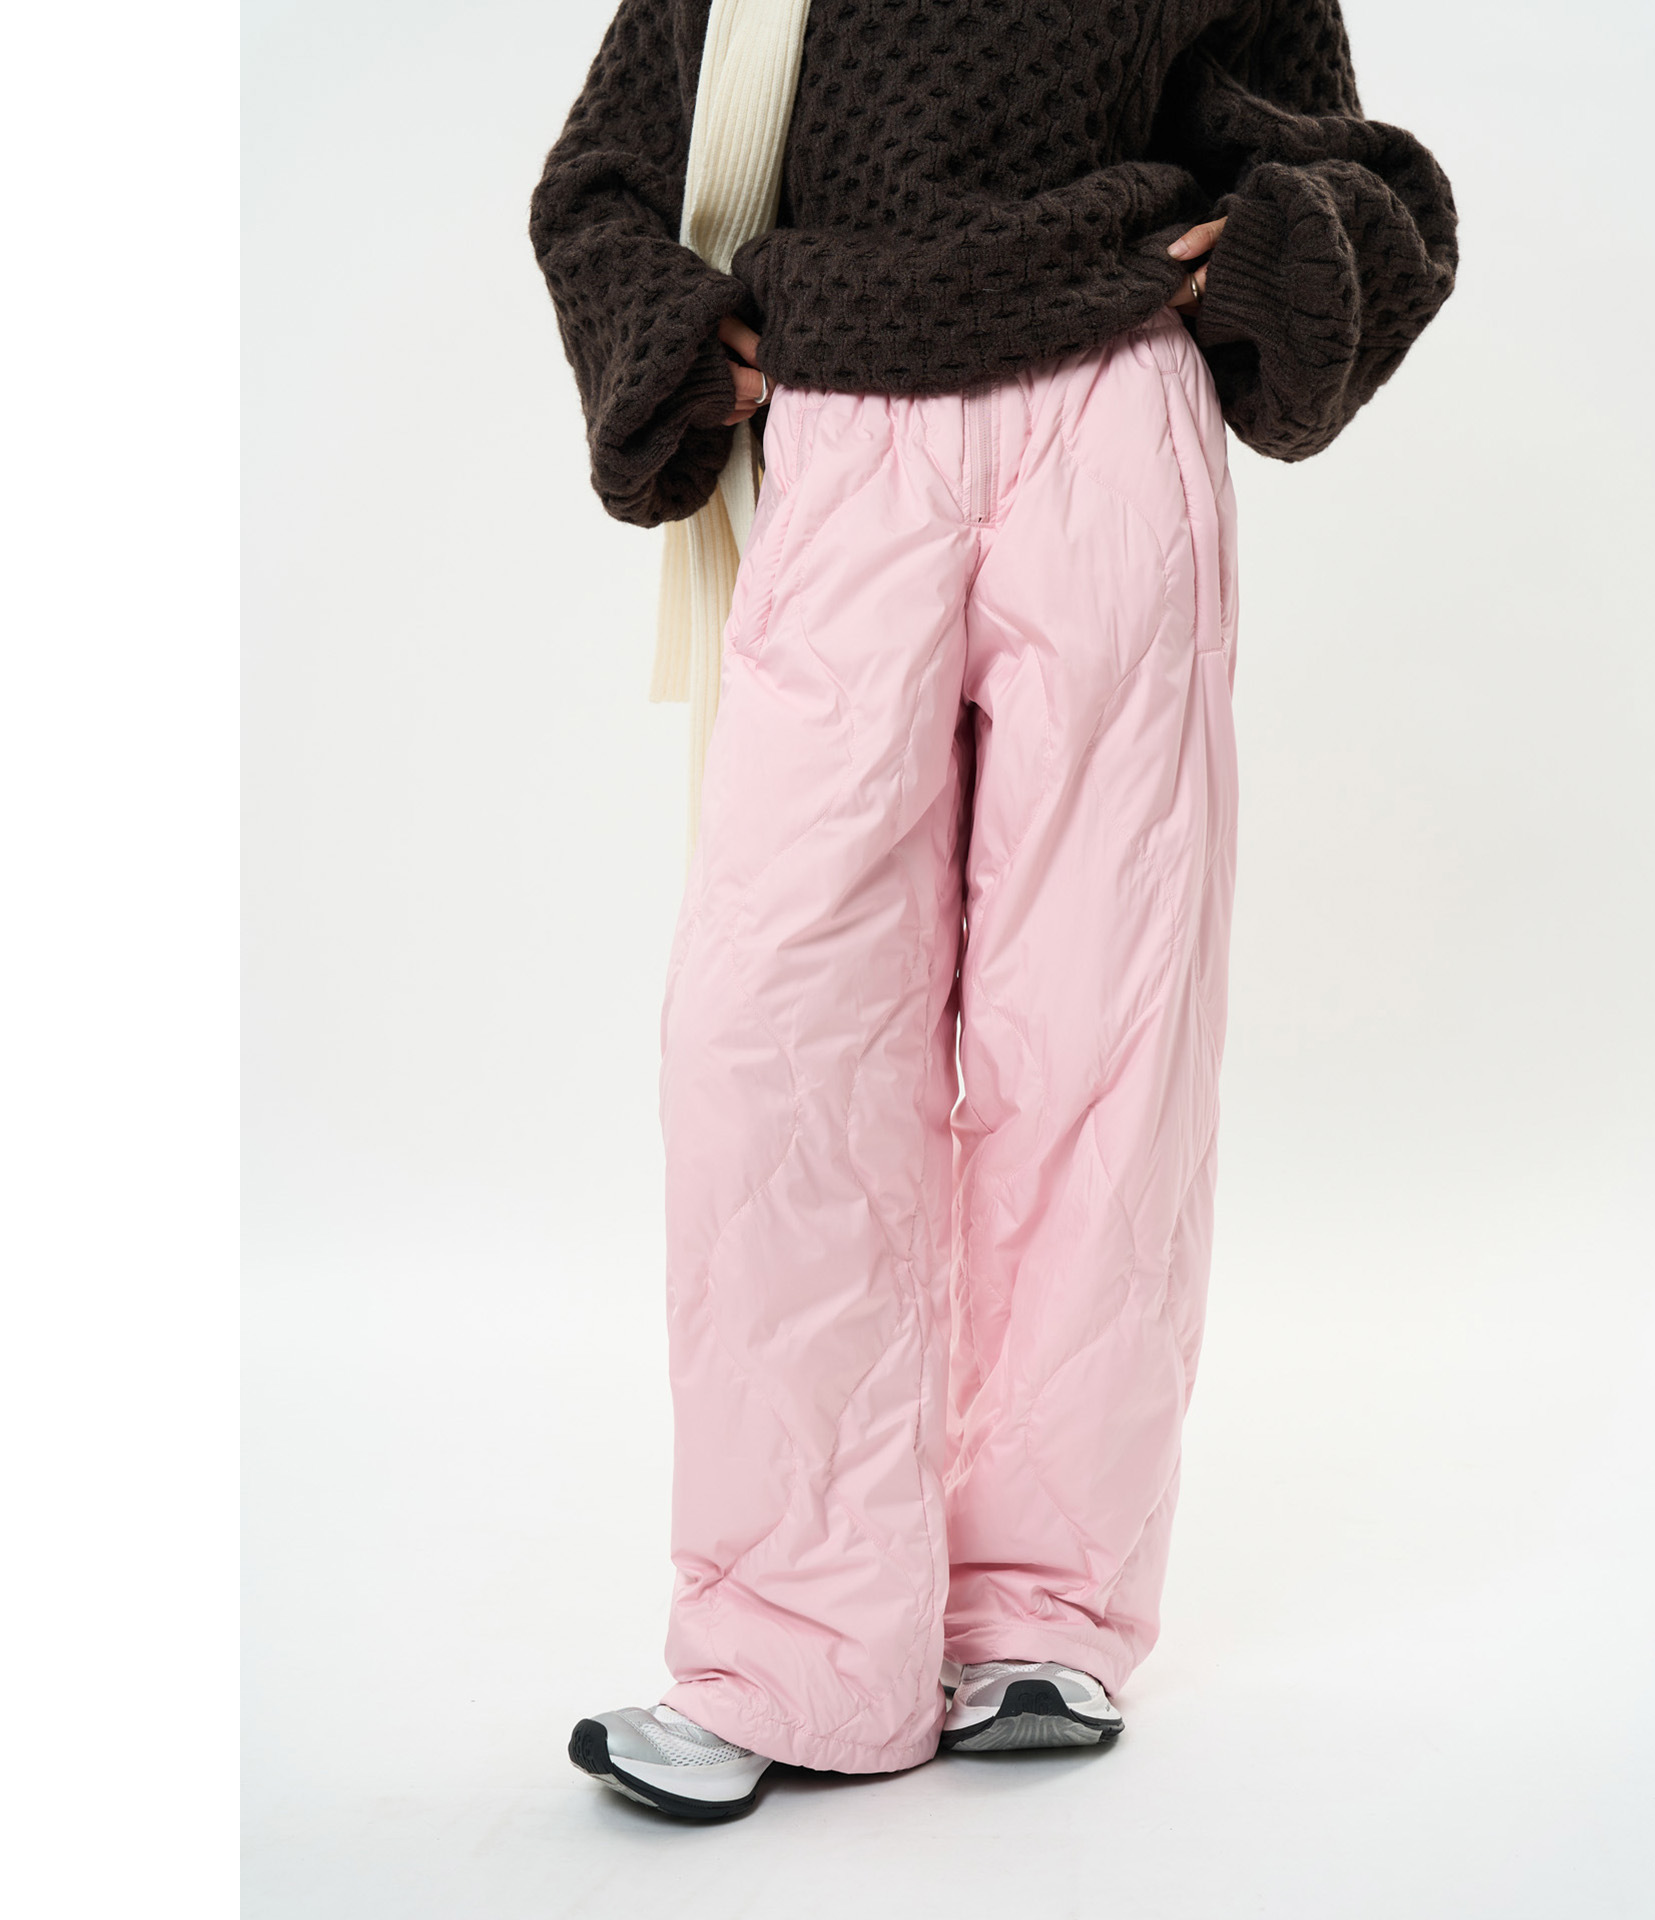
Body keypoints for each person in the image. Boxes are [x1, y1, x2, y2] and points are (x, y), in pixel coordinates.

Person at [530, 0, 1455, 1822]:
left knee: (1099, 1028)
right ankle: (789, 1647)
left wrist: (1274, 245)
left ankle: (1040, 1610)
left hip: (1109, 422)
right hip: (843, 440)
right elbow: (601, 184)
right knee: (770, 1037)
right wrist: (678, 337)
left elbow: (1350, 159)